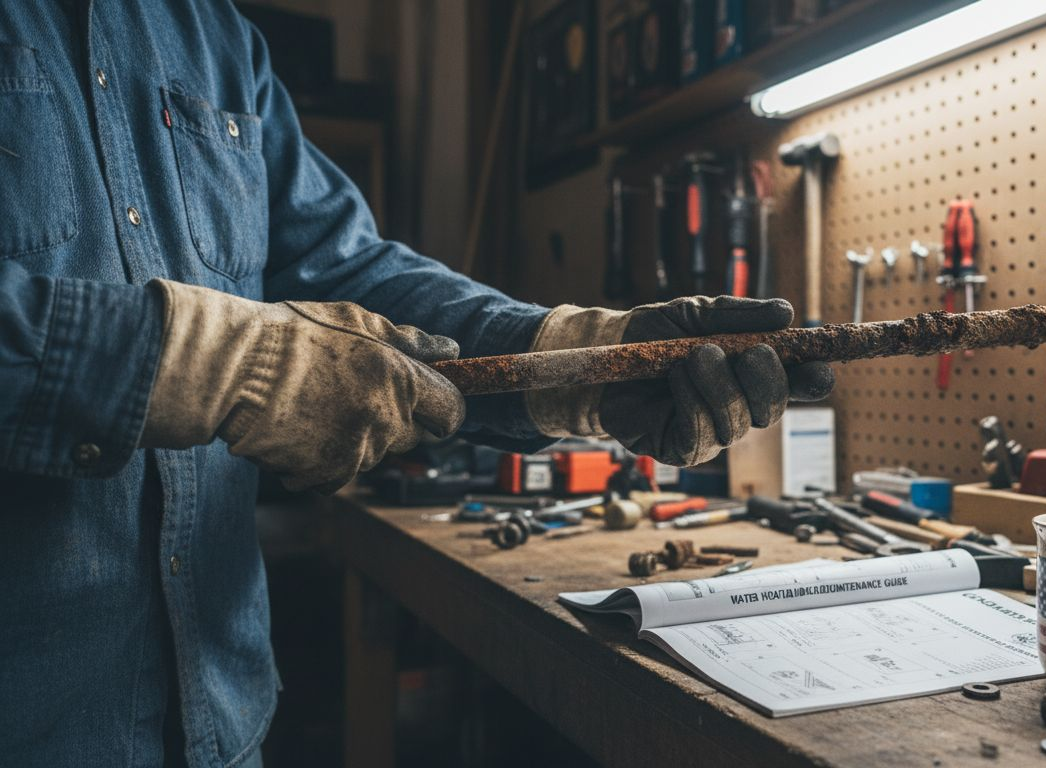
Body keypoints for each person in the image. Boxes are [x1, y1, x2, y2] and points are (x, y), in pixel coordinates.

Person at [0, 3, 834, 766]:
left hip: (220, 722)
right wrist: (196, 360)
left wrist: (584, 360)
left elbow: (347, 268)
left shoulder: (214, 38)